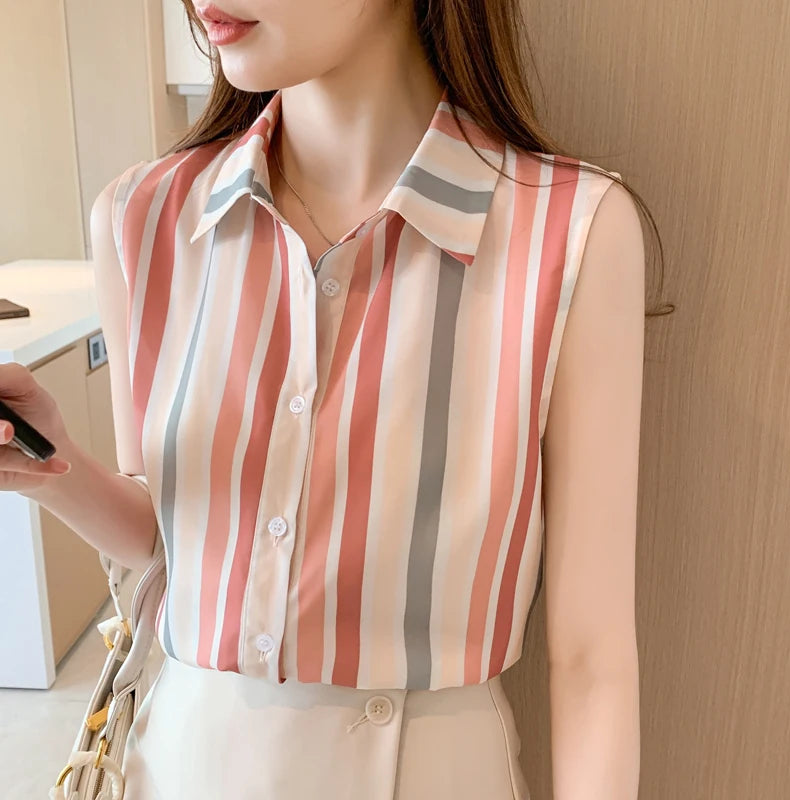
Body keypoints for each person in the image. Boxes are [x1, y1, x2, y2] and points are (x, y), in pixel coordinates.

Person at [0, 0, 652, 797]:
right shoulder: (141, 217)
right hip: (181, 763)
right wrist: (51, 466)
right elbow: (169, 546)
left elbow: (591, 660)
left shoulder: (569, 233)